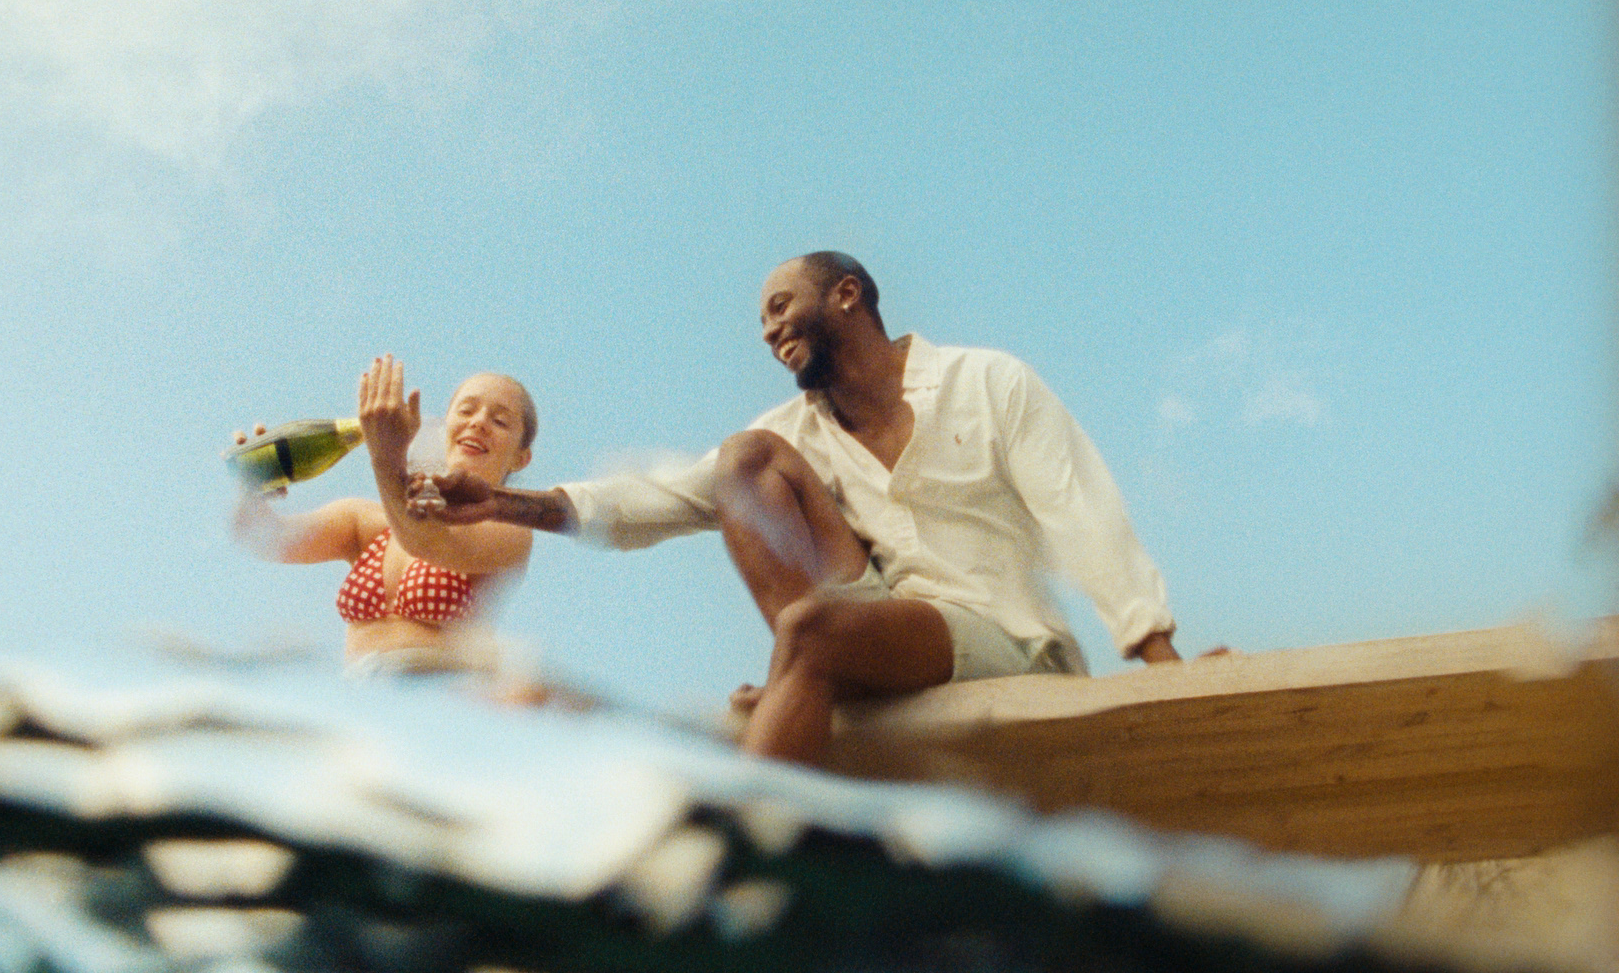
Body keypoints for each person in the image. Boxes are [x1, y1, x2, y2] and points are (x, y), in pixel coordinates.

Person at [424, 252, 1190, 764]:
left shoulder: (988, 381)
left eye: (781, 307)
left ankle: (756, 829)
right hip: (880, 618)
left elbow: (1078, 508)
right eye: (762, 320)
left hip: (1002, 635)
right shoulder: (793, 430)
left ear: (847, 295)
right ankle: (819, 667)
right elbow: (649, 503)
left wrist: (1156, 654)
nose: (768, 331)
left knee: (811, 630)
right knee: (743, 461)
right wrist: (498, 501)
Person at [232, 355, 537, 675]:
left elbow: (428, 542)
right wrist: (251, 487)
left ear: (521, 458)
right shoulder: (366, 521)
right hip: (362, 696)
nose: (478, 422)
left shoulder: (510, 529)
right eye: (466, 410)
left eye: (500, 421)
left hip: (435, 700)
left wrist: (386, 457)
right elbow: (270, 538)